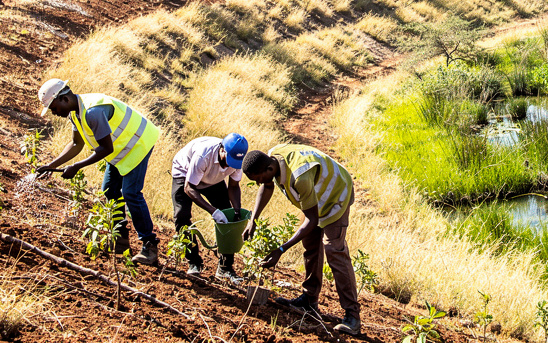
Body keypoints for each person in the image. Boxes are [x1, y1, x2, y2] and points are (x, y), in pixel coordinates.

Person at [35, 78, 160, 265]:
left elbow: (106, 149)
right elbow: (77, 144)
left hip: (138, 143)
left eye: (54, 108)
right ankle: (121, 239)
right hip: (120, 149)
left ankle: (149, 246)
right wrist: (51, 165)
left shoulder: (92, 112)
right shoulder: (75, 114)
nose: (54, 113)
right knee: (110, 190)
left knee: (131, 193)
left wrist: (76, 167)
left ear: (63, 99)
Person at [241, 144, 360, 335]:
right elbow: (267, 185)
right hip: (315, 195)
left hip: (336, 194)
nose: (258, 183)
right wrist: (252, 220)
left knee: (333, 249)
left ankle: (352, 316)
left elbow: (312, 220)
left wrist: (280, 250)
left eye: (259, 178)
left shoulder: (299, 177)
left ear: (269, 169)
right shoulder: (272, 156)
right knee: (311, 243)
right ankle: (309, 300)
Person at [171, 133, 249, 281]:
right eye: (229, 160)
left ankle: (225, 268)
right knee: (181, 216)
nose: (230, 166)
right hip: (185, 173)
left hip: (212, 179)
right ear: (222, 150)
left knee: (229, 217)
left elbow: (234, 186)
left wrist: (236, 211)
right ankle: (193, 262)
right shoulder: (204, 155)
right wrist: (213, 211)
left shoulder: (236, 160)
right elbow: (189, 188)